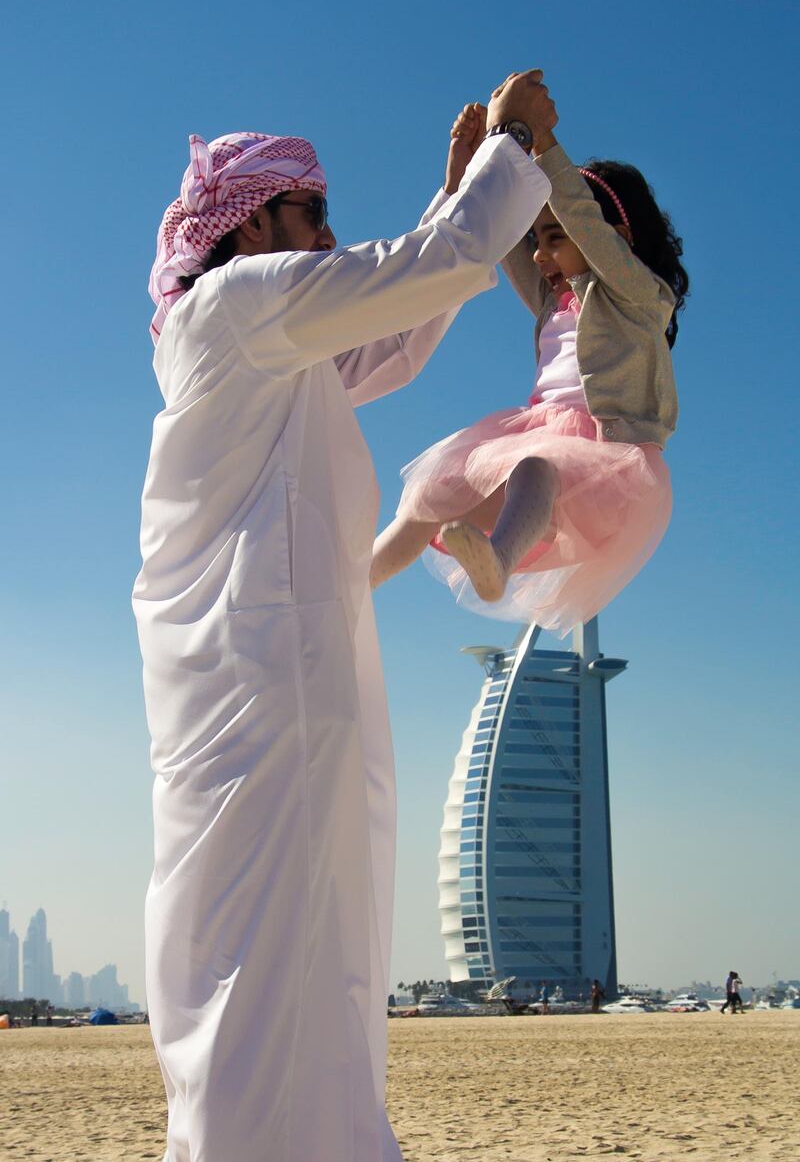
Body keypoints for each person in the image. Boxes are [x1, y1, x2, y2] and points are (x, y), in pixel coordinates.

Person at [134, 71, 554, 1162]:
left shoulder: (256, 339)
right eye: (311, 211)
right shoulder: (237, 307)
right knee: (264, 960)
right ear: (249, 225)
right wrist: (512, 150)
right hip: (264, 680)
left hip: (275, 675)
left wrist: (458, 185)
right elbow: (428, 269)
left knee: (307, 952)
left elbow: (403, 319)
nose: (328, 232)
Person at [371, 94, 688, 637]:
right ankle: (348, 582)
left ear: (618, 236)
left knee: (536, 465)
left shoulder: (637, 295)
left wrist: (543, 143)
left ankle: (497, 561)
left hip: (607, 454)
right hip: (537, 432)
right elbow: (501, 237)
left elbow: (586, 226)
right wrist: (477, 167)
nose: (541, 256)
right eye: (540, 242)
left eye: (554, 239)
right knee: (427, 499)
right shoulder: (553, 301)